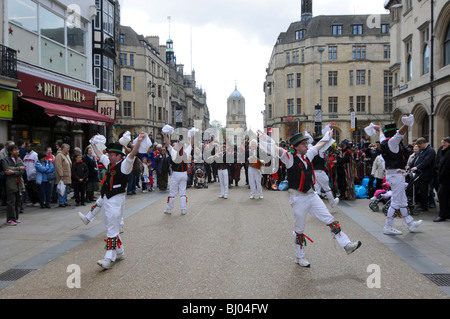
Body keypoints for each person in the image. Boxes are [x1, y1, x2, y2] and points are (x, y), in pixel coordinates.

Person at [257, 129, 361, 268]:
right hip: (298, 198)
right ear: (296, 146)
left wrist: (328, 136)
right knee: (299, 229)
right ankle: (300, 257)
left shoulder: (308, 155)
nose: (307, 146)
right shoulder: (289, 157)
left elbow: (319, 145)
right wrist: (264, 138)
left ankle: (346, 244)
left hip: (312, 196)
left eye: (307, 143)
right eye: (304, 144)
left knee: (329, 219)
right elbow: (276, 149)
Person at [90, 132, 146, 270]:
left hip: (116, 200)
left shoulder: (125, 165)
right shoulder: (109, 162)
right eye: (109, 155)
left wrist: (138, 141)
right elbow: (100, 155)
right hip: (107, 199)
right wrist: (93, 144)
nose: (109, 156)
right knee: (110, 227)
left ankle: (109, 257)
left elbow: (132, 153)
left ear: (119, 156)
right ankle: (120, 252)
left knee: (112, 231)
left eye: (112, 155)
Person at [376, 119, 422, 235]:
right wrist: (406, 124)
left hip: (394, 175)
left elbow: (382, 136)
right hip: (397, 176)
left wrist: (379, 130)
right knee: (396, 202)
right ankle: (388, 226)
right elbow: (400, 134)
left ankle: (410, 223)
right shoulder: (392, 143)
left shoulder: (384, 142)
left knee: (402, 201)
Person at [163, 132, 194, 215]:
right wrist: (193, 136)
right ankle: (183, 209)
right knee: (182, 193)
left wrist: (165, 136)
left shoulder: (173, 152)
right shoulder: (186, 152)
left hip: (176, 174)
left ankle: (169, 209)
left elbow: (167, 144)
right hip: (184, 173)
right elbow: (191, 144)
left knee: (172, 193)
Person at [311, 136, 339, 209]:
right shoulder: (320, 151)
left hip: (314, 172)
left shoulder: (312, 150)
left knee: (317, 190)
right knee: (327, 188)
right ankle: (332, 203)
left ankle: (316, 206)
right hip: (320, 172)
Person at [2, 144, 26, 226]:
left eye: (17, 150)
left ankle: (15, 217)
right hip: (11, 183)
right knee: (11, 202)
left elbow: (23, 170)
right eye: (15, 150)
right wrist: (19, 169)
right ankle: (10, 219)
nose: (17, 151)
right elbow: (7, 170)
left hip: (19, 183)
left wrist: (14, 171)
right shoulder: (5, 160)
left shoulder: (18, 159)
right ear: (11, 151)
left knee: (18, 201)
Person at [411, 137, 436, 211]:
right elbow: (416, 158)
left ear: (423, 143)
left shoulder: (430, 151)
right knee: (421, 190)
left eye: (419, 146)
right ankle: (421, 203)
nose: (418, 147)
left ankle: (424, 206)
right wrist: (410, 165)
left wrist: (417, 167)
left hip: (426, 174)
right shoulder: (422, 150)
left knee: (424, 190)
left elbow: (426, 162)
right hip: (420, 174)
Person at [433, 137, 450, 222]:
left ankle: (442, 215)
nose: (443, 144)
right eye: (443, 142)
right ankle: (446, 213)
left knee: (441, 195)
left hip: (446, 178)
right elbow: (439, 163)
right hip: (443, 178)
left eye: (445, 143)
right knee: (444, 196)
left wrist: (441, 175)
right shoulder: (442, 151)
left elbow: (446, 166)